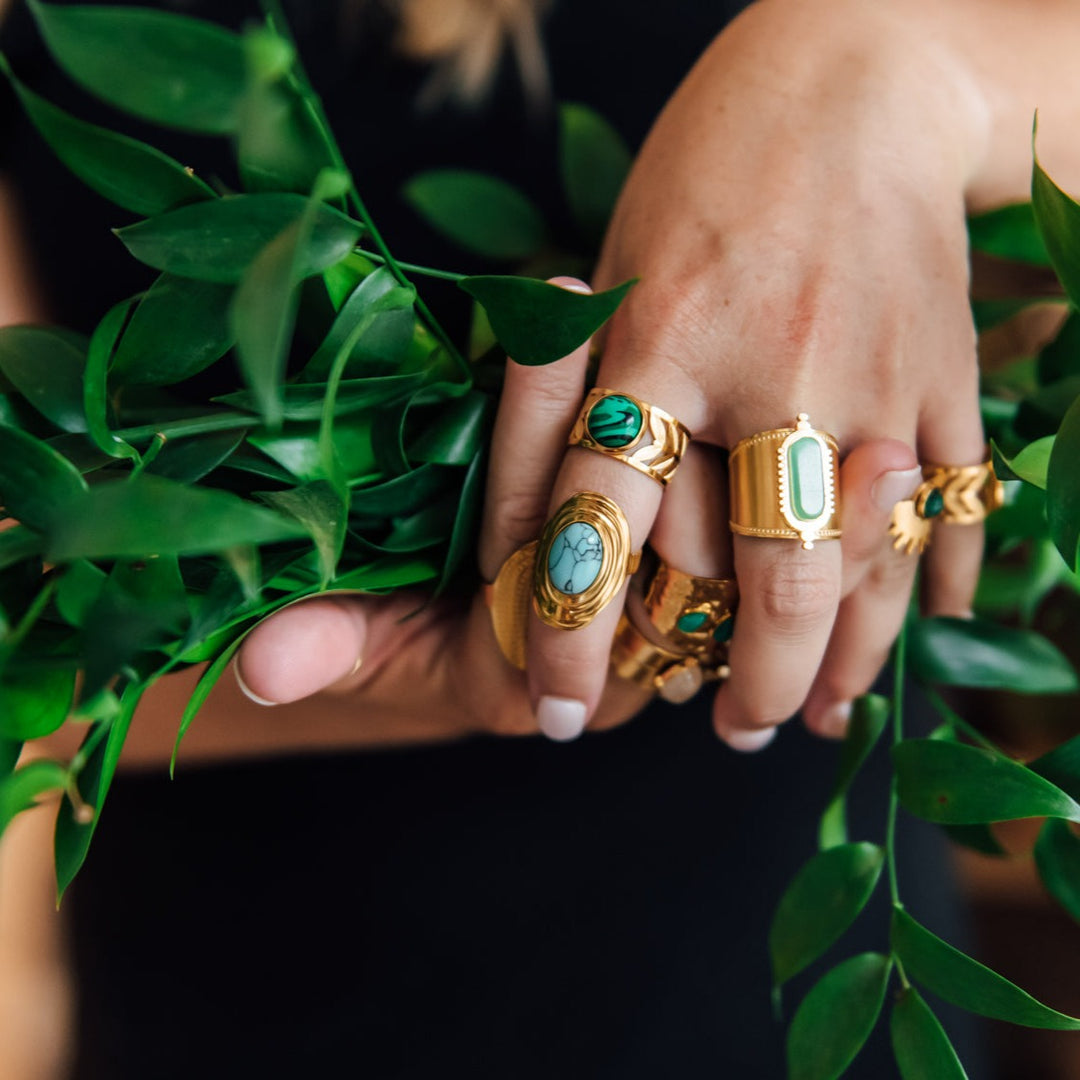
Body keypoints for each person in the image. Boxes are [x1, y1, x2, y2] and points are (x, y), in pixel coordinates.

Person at [1, 0, 1078, 1075]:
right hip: (260, 978)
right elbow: (29, 599)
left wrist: (898, 69)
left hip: (771, 958)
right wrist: (365, 665)